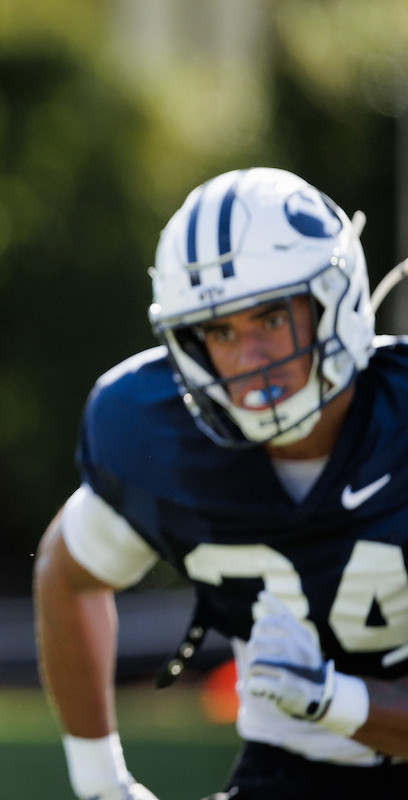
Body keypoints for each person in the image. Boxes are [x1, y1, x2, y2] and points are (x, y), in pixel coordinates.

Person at [33, 167, 408, 800]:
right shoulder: (158, 437)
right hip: (290, 770)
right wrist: (102, 783)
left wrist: (332, 699)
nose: (250, 360)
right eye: (221, 332)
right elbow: (66, 577)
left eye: (269, 319)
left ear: (333, 301)